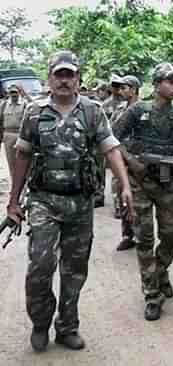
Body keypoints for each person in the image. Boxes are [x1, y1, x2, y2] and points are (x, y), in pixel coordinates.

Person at [6, 50, 134, 352]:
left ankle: (67, 327)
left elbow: (111, 149)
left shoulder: (92, 111)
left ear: (78, 79)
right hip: (43, 201)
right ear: (49, 78)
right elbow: (22, 155)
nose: (64, 80)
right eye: (59, 74)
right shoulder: (35, 112)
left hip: (80, 203)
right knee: (40, 266)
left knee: (74, 270)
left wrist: (125, 185)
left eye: (70, 75)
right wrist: (13, 201)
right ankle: (40, 322)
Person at [113, 63, 173, 321]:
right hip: (140, 184)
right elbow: (113, 140)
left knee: (171, 235)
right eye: (170, 81)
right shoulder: (138, 110)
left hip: (168, 183)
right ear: (157, 84)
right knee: (144, 238)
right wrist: (132, 162)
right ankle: (151, 293)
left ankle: (159, 273)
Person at [112, 75, 142, 250]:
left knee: (141, 199)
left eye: (124, 87)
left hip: (140, 160)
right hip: (122, 158)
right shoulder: (120, 109)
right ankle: (127, 234)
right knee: (122, 195)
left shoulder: (145, 109)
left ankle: (141, 235)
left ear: (133, 89)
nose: (121, 91)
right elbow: (112, 132)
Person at [94, 75, 126, 207]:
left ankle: (120, 199)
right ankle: (99, 194)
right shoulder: (105, 104)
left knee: (117, 170)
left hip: (120, 142)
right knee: (99, 168)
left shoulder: (126, 103)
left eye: (119, 86)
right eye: (114, 86)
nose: (116, 89)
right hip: (104, 140)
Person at [0, 84, 29, 180]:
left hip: (20, 135)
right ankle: (14, 183)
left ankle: (24, 182)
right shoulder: (4, 105)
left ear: (19, 93)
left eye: (15, 92)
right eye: (11, 92)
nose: (13, 95)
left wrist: (26, 94)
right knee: (11, 161)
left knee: (22, 161)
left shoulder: (24, 104)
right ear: (8, 93)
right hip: (7, 135)